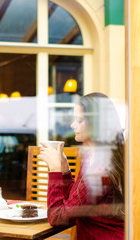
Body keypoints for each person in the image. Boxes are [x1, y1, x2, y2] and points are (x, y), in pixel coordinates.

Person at [39, 92, 124, 240]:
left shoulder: (101, 169)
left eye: (79, 120)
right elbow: (73, 203)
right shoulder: (93, 155)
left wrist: (55, 171)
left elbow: (57, 218)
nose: (72, 125)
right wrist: (65, 169)